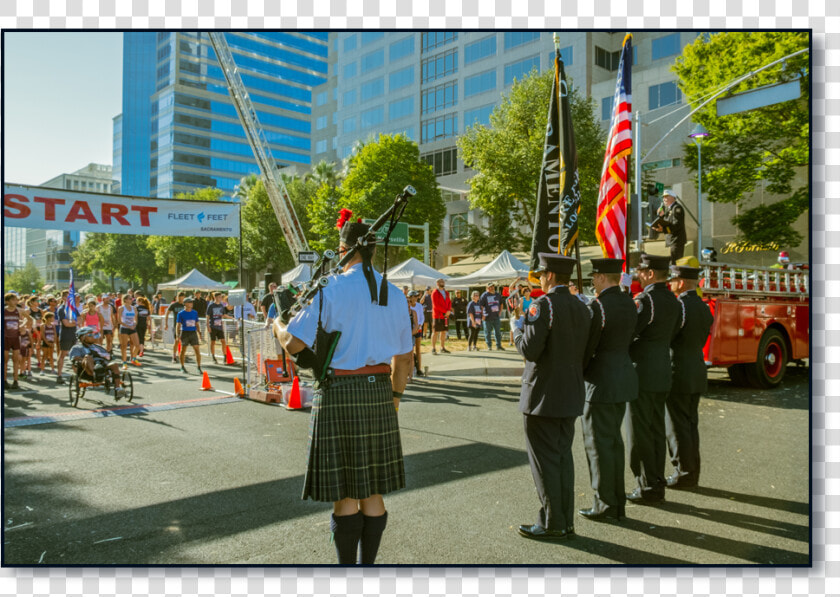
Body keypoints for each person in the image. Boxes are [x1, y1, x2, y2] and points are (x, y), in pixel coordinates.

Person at [275, 215, 413, 565]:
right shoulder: (396, 294)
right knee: (373, 491)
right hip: (380, 393)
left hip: (339, 391)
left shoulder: (330, 287)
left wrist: (277, 325)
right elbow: (405, 359)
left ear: (343, 249)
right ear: (372, 249)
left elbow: (293, 342)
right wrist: (394, 397)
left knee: (346, 493)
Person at [513, 254, 591, 541]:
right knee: (562, 459)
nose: (541, 279)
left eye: (542, 274)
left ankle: (552, 522)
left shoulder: (542, 305)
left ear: (550, 276)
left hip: (542, 394)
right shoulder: (582, 306)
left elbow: (530, 350)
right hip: (570, 391)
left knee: (544, 462)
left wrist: (517, 329)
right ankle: (564, 520)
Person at [578, 258, 638, 522]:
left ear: (602, 277)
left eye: (594, 277)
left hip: (600, 381)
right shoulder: (628, 301)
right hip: (623, 376)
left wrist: (577, 371)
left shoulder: (598, 306)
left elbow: (587, 346)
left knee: (598, 445)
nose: (593, 282)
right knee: (614, 443)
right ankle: (616, 501)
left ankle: (605, 503)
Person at [626, 253, 682, 504]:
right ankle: (657, 481)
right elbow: (674, 331)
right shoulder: (674, 300)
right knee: (657, 429)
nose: (638, 274)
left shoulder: (645, 300)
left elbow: (630, 332)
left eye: (641, 271)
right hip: (662, 369)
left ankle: (648, 484)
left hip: (643, 372)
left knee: (640, 432)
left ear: (649, 273)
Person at [665, 265, 714, 490]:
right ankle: (692, 471)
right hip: (696, 368)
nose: (670, 284)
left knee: (678, 426)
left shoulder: (679, 307)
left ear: (682, 282)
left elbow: (670, 336)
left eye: (673, 280)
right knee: (690, 424)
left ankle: (683, 472)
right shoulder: (704, 307)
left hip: (679, 371)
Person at [68, 326, 126, 399]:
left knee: (114, 364)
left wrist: (108, 356)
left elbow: (108, 356)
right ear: (82, 337)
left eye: (93, 334)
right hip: (87, 370)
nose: (93, 336)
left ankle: (117, 389)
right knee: (88, 357)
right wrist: (85, 358)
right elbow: (74, 358)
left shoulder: (98, 347)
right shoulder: (77, 348)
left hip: (102, 365)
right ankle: (96, 374)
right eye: (89, 335)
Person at [652, 189, 686, 265]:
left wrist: (663, 229)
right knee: (673, 263)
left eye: (666, 197)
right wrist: (662, 216)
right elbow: (668, 222)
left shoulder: (677, 208)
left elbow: (677, 225)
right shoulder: (670, 209)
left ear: (673, 198)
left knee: (676, 264)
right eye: (663, 197)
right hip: (672, 240)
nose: (664, 199)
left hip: (677, 240)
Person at [55, 291, 78, 385]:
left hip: (74, 334)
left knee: (76, 355)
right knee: (63, 354)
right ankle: (59, 375)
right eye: (68, 296)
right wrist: (73, 322)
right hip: (65, 335)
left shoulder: (73, 308)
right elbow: (66, 324)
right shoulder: (61, 309)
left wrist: (73, 322)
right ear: (64, 298)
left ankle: (77, 375)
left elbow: (80, 319)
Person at [176, 297, 203, 374]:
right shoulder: (180, 313)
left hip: (193, 333)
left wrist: (199, 332)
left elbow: (197, 323)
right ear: (185, 304)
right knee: (183, 350)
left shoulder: (195, 312)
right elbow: (178, 324)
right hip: (185, 332)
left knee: (197, 350)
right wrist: (177, 335)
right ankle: (182, 366)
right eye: (190, 302)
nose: (191, 304)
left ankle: (199, 367)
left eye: (192, 302)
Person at [206, 291, 231, 364]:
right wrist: (208, 326)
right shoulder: (211, 305)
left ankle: (225, 357)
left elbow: (223, 314)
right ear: (215, 297)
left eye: (221, 297)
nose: (221, 298)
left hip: (219, 326)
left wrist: (230, 317)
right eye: (219, 297)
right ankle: (213, 357)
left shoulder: (221, 305)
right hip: (213, 326)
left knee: (223, 341)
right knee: (213, 342)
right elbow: (207, 316)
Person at [4, 293, 23, 390]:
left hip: (16, 338)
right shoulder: (3, 311)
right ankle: (4, 380)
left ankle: (15, 380)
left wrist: (22, 326)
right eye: (13, 300)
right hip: (5, 338)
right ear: (7, 301)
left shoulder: (19, 310)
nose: (16, 302)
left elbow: (29, 319)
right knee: (5, 360)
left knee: (16, 360)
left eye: (16, 300)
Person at [117, 293, 141, 367]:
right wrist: (128, 326)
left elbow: (136, 320)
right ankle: (124, 363)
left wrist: (134, 324)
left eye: (132, 298)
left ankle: (133, 358)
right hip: (124, 328)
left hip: (132, 328)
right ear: (125, 300)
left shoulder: (134, 308)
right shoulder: (121, 308)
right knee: (124, 346)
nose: (132, 300)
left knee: (137, 345)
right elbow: (119, 321)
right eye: (130, 298)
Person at [479, 283, 504, 350]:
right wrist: (482, 315)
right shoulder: (484, 295)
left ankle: (498, 346)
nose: (492, 288)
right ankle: (489, 346)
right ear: (487, 288)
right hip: (487, 317)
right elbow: (481, 306)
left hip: (496, 316)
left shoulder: (498, 294)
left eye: (492, 286)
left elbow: (501, 304)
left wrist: (500, 312)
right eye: (490, 287)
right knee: (487, 332)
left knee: (497, 332)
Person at [430, 278, 452, 354]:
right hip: (437, 316)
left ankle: (442, 347)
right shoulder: (434, 292)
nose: (443, 282)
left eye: (443, 281)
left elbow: (449, 302)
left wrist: (449, 311)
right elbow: (436, 305)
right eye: (441, 282)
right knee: (435, 332)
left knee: (443, 332)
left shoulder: (446, 293)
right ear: (437, 283)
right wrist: (445, 311)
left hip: (446, 316)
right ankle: (433, 348)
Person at [165, 292, 186, 363]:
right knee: (177, 340)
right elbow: (167, 313)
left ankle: (181, 355)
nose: (180, 299)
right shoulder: (174, 305)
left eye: (182, 297)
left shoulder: (185, 305)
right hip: (176, 325)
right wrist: (166, 324)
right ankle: (174, 356)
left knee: (183, 341)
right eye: (179, 297)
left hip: (184, 326)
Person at [407, 291, 424, 377]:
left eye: (416, 296)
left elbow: (421, 317)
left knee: (418, 349)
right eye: (412, 297)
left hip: (418, 329)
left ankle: (419, 368)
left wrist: (419, 326)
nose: (414, 298)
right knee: (410, 350)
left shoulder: (419, 306)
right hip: (410, 329)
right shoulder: (407, 307)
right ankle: (411, 368)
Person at [26, 296, 44, 372]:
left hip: (39, 330)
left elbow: (43, 320)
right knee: (30, 348)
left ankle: (39, 362)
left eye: (39, 301)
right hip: (31, 330)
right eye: (37, 301)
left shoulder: (40, 310)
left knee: (38, 347)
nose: (38, 302)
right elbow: (25, 321)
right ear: (32, 302)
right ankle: (28, 363)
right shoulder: (28, 311)